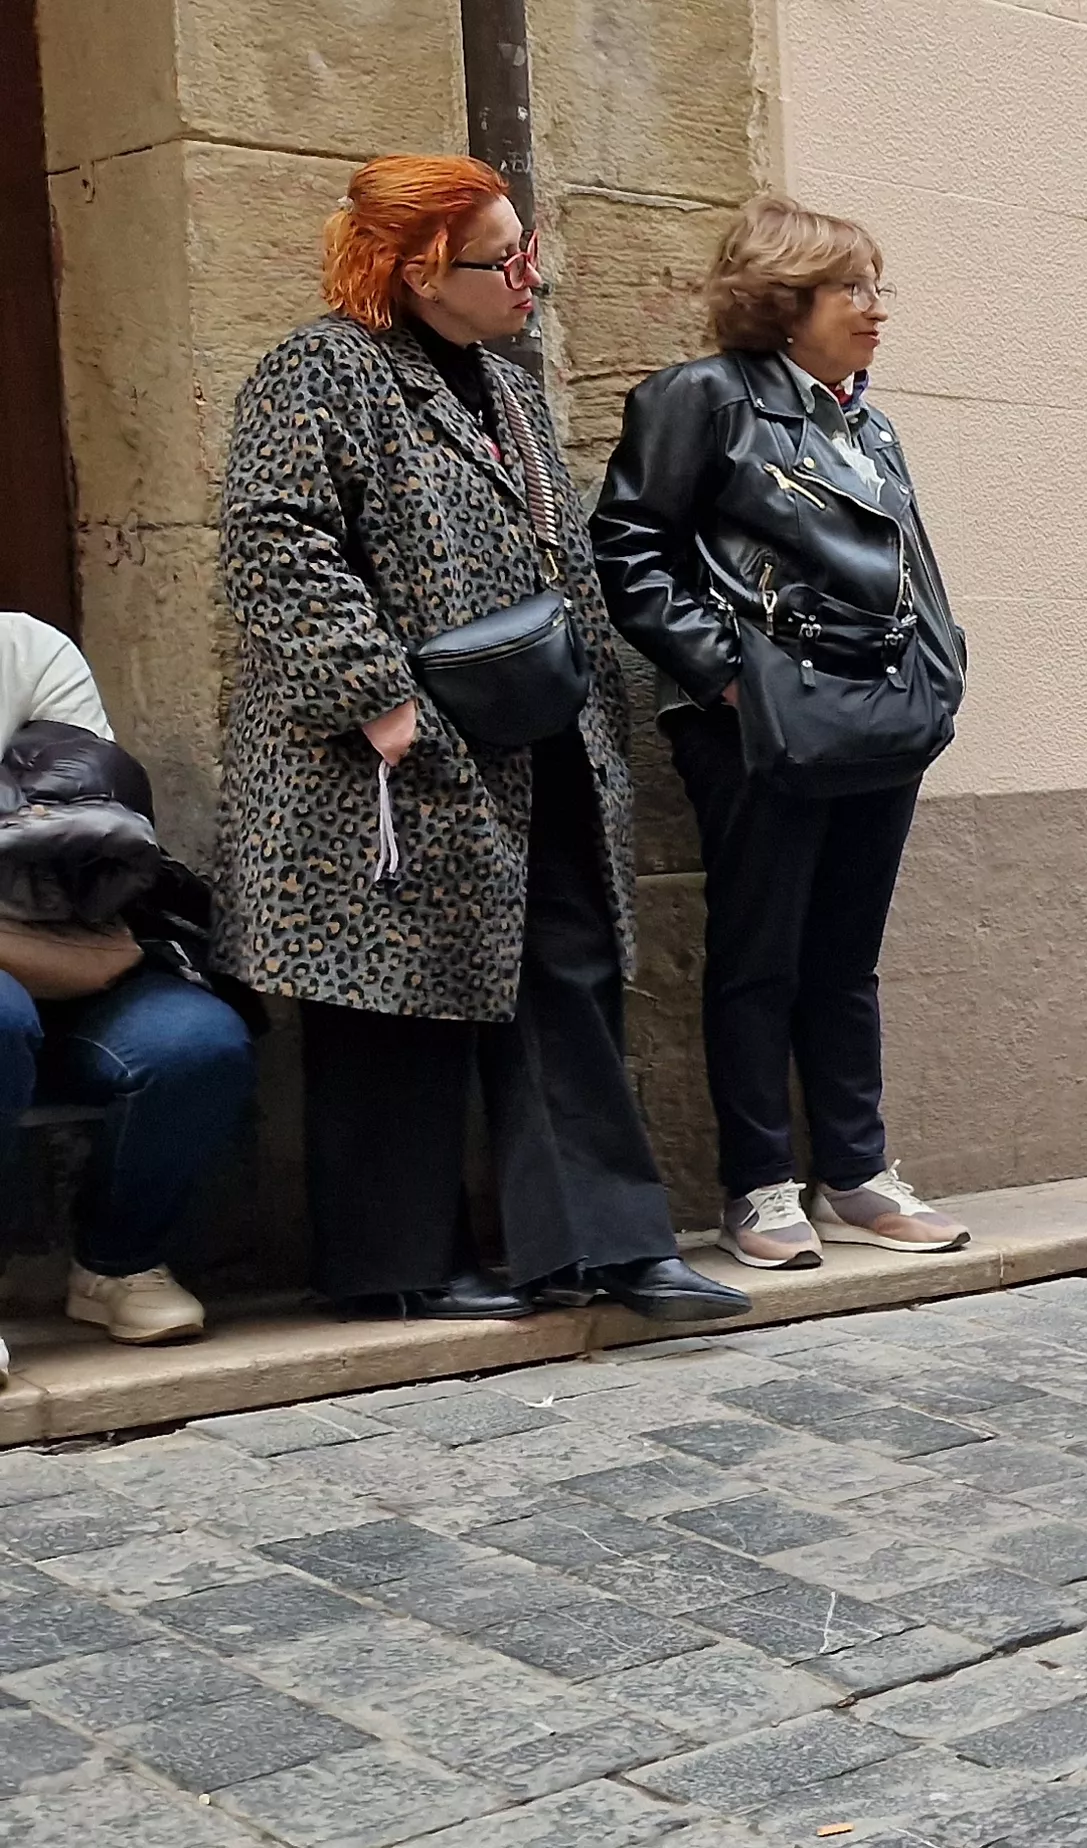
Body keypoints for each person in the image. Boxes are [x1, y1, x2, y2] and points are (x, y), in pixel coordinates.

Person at [218, 155, 744, 1323]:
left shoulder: (499, 384)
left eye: (526, 245)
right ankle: (392, 1267)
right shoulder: (317, 372)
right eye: (502, 256)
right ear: (416, 270)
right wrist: (375, 696)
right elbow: (275, 543)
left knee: (567, 977)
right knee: (390, 1000)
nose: (531, 273)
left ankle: (608, 1247)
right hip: (376, 759)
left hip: (530, 736)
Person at [587, 194, 974, 1271]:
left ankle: (856, 1171)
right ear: (784, 300)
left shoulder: (868, 419)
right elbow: (626, 548)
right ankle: (756, 1187)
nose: (874, 309)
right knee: (758, 957)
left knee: (844, 958)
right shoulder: (700, 399)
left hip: (878, 713)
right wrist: (722, 681)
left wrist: (940, 676)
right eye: (853, 288)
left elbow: (906, 566)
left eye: (873, 286)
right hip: (755, 725)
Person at [0, 616, 255, 1352]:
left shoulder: (27, 647)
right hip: (31, 961)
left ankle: (116, 1263)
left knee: (196, 1041)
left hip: (70, 950)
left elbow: (89, 841)